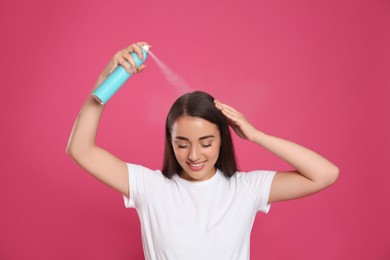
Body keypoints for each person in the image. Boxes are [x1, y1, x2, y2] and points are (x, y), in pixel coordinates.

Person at [66, 42, 339, 260]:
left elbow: (325, 174)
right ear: (170, 141)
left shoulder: (246, 188)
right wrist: (105, 81)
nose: (194, 156)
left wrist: (256, 136)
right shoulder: (149, 187)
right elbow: (80, 149)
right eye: (182, 144)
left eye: (206, 143)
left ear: (223, 139)